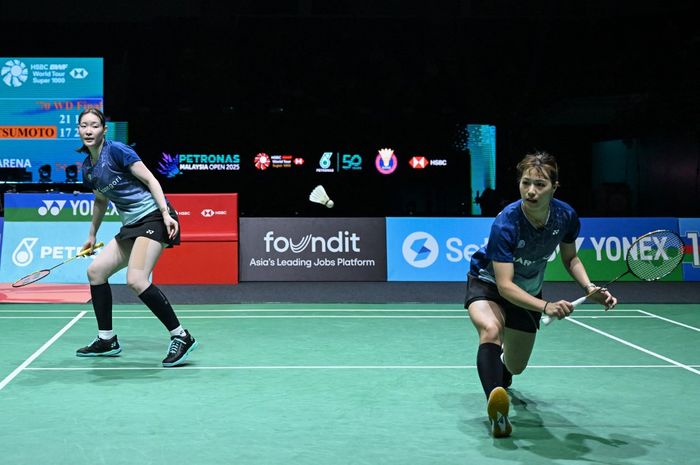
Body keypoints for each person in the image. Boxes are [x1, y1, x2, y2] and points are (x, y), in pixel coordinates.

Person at [465, 151, 617, 438]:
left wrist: (589, 288)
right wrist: (546, 306)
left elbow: (570, 258)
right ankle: (496, 412)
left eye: (539, 184)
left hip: (529, 292)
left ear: (554, 187)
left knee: (516, 366)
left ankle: (502, 373)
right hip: (489, 284)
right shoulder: (506, 223)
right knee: (490, 330)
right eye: (525, 183)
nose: (531, 191)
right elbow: (505, 285)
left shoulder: (566, 216)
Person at [74, 108, 198, 367]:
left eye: (94, 125)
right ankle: (106, 339)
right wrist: (91, 234)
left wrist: (165, 213)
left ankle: (181, 336)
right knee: (96, 271)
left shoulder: (117, 151)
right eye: (84, 125)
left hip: (153, 216)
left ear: (104, 130)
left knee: (136, 280)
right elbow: (100, 201)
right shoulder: (88, 169)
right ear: (78, 130)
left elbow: (151, 180)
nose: (88, 130)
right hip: (131, 225)